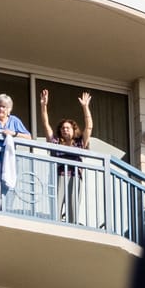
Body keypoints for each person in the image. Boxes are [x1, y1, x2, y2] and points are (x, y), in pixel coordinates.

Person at [39, 89, 93, 224]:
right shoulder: (55, 142)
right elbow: (46, 125)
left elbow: (89, 127)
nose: (65, 130)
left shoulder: (80, 142)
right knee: (56, 206)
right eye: (63, 128)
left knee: (73, 207)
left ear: (74, 129)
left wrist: (85, 108)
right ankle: (55, 226)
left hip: (75, 176)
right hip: (59, 175)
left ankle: (73, 227)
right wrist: (43, 106)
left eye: (68, 128)